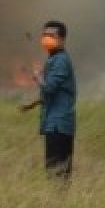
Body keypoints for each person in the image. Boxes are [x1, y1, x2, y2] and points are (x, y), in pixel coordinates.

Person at [19, 20, 76, 179]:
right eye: (44, 35)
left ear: (62, 39)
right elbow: (52, 94)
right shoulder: (54, 59)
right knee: (56, 169)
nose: (46, 38)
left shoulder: (60, 61)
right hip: (55, 124)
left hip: (58, 125)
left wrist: (38, 77)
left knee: (56, 170)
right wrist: (32, 105)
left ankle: (58, 201)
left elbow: (49, 87)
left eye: (51, 35)